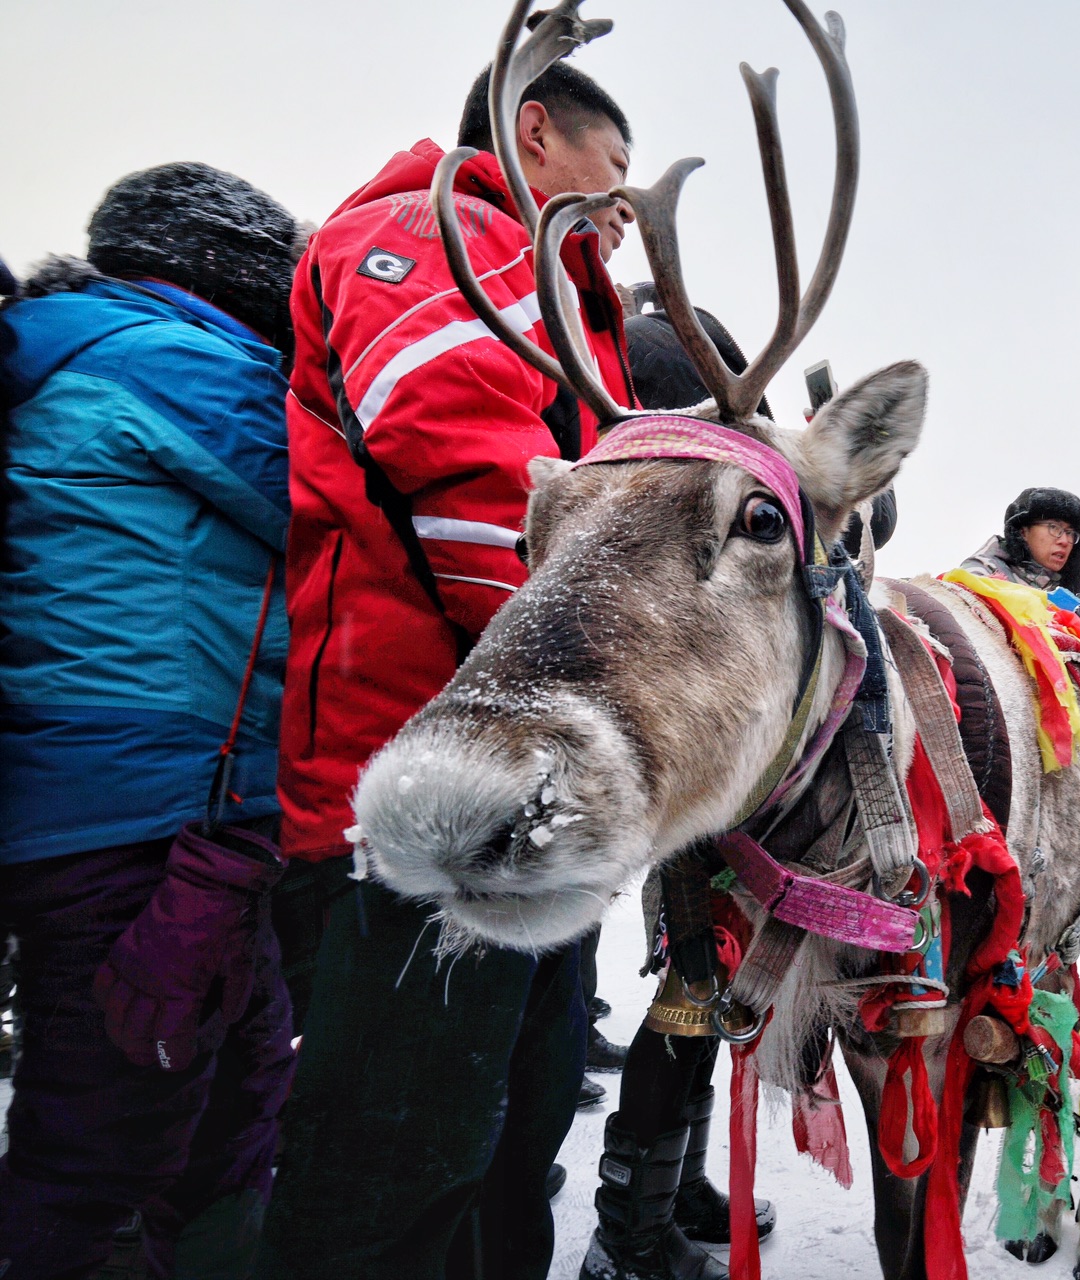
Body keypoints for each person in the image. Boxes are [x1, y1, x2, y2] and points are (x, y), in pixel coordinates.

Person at [260, 59, 636, 1280]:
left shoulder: (560, 294)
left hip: (526, 799)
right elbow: (480, 492)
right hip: (422, 803)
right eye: (614, 168)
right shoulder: (436, 238)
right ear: (536, 133)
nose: (624, 203)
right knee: (394, 1180)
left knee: (505, 1155)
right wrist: (625, 702)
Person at [0, 164, 300, 1278]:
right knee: (103, 1153)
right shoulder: (173, 359)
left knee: (221, 1092)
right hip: (148, 812)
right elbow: (322, 503)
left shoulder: (66, 346)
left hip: (102, 803)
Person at [570, 297, 782, 1280]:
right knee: (694, 985)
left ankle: (673, 1189)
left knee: (701, 984)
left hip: (708, 766)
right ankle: (630, 1234)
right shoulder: (665, 465)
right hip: (692, 764)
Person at [961, 486, 1080, 596]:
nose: (1064, 541)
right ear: (1023, 532)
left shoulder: (1071, 598)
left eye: (1070, 533)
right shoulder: (980, 575)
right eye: (1053, 527)